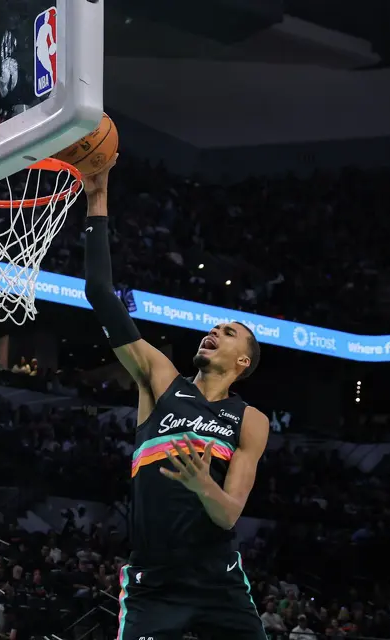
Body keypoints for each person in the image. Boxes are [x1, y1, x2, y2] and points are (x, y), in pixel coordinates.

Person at [82, 155, 270, 640]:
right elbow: (100, 293)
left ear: (242, 361)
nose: (213, 332)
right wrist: (97, 198)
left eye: (227, 332)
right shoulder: (161, 380)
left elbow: (228, 513)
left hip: (217, 581)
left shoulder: (249, 420)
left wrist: (202, 482)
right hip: (154, 583)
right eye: (213, 327)